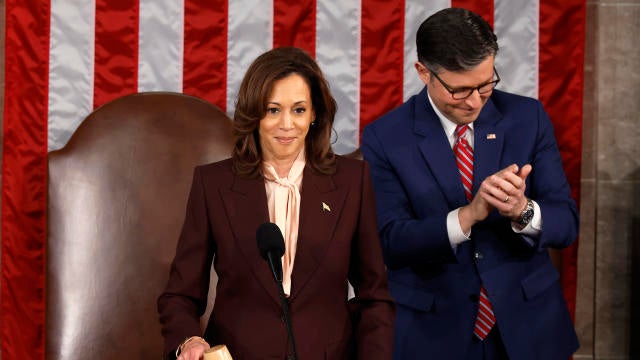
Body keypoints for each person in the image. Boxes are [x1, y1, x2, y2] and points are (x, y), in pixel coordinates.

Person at [361, 7, 579, 360]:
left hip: (529, 327)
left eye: (485, 84)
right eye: (460, 90)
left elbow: (567, 224)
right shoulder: (385, 137)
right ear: (423, 72)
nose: (475, 101)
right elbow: (390, 241)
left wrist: (523, 211)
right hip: (434, 333)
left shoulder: (528, 118)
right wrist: (467, 216)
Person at [158, 46, 395, 360]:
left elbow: (375, 297)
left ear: (315, 114)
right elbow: (180, 295)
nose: (287, 124)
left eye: (298, 110)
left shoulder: (353, 181)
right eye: (272, 110)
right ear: (254, 113)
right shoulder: (213, 184)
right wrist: (188, 340)